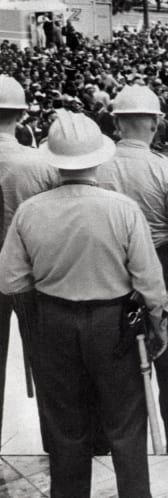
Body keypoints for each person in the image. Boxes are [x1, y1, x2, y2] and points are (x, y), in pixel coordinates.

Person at [0, 110, 168, 498]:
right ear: (98, 157)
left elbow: (9, 278)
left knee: (66, 427)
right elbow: (149, 280)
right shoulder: (122, 208)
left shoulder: (31, 210)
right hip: (115, 326)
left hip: (54, 320)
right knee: (126, 425)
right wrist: (158, 324)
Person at [96, 85, 168, 454]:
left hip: (110, 264)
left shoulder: (98, 165)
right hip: (160, 259)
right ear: (155, 123)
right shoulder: (165, 169)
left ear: (117, 123)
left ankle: (117, 434)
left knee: (115, 352)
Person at [0, 76, 59, 453]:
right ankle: (59, 446)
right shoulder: (38, 164)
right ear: (22, 114)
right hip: (31, 276)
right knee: (50, 367)